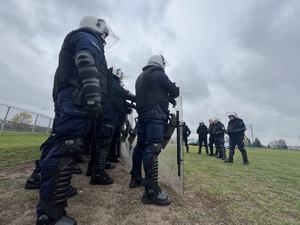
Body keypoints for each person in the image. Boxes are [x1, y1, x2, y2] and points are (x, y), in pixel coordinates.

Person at [36, 16, 118, 225]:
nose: (105, 39)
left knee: (67, 148)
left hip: (76, 98)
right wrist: (92, 94)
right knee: (66, 148)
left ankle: (54, 199)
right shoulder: (86, 36)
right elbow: (85, 60)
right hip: (77, 97)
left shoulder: (85, 38)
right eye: (105, 34)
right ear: (98, 27)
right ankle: (49, 214)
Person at [130, 55, 179, 205]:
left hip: (143, 115)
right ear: (160, 63)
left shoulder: (140, 77)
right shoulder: (159, 73)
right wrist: (173, 91)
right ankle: (150, 192)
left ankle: (135, 178)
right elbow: (174, 91)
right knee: (153, 148)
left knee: (140, 147)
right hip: (156, 115)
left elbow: (152, 92)